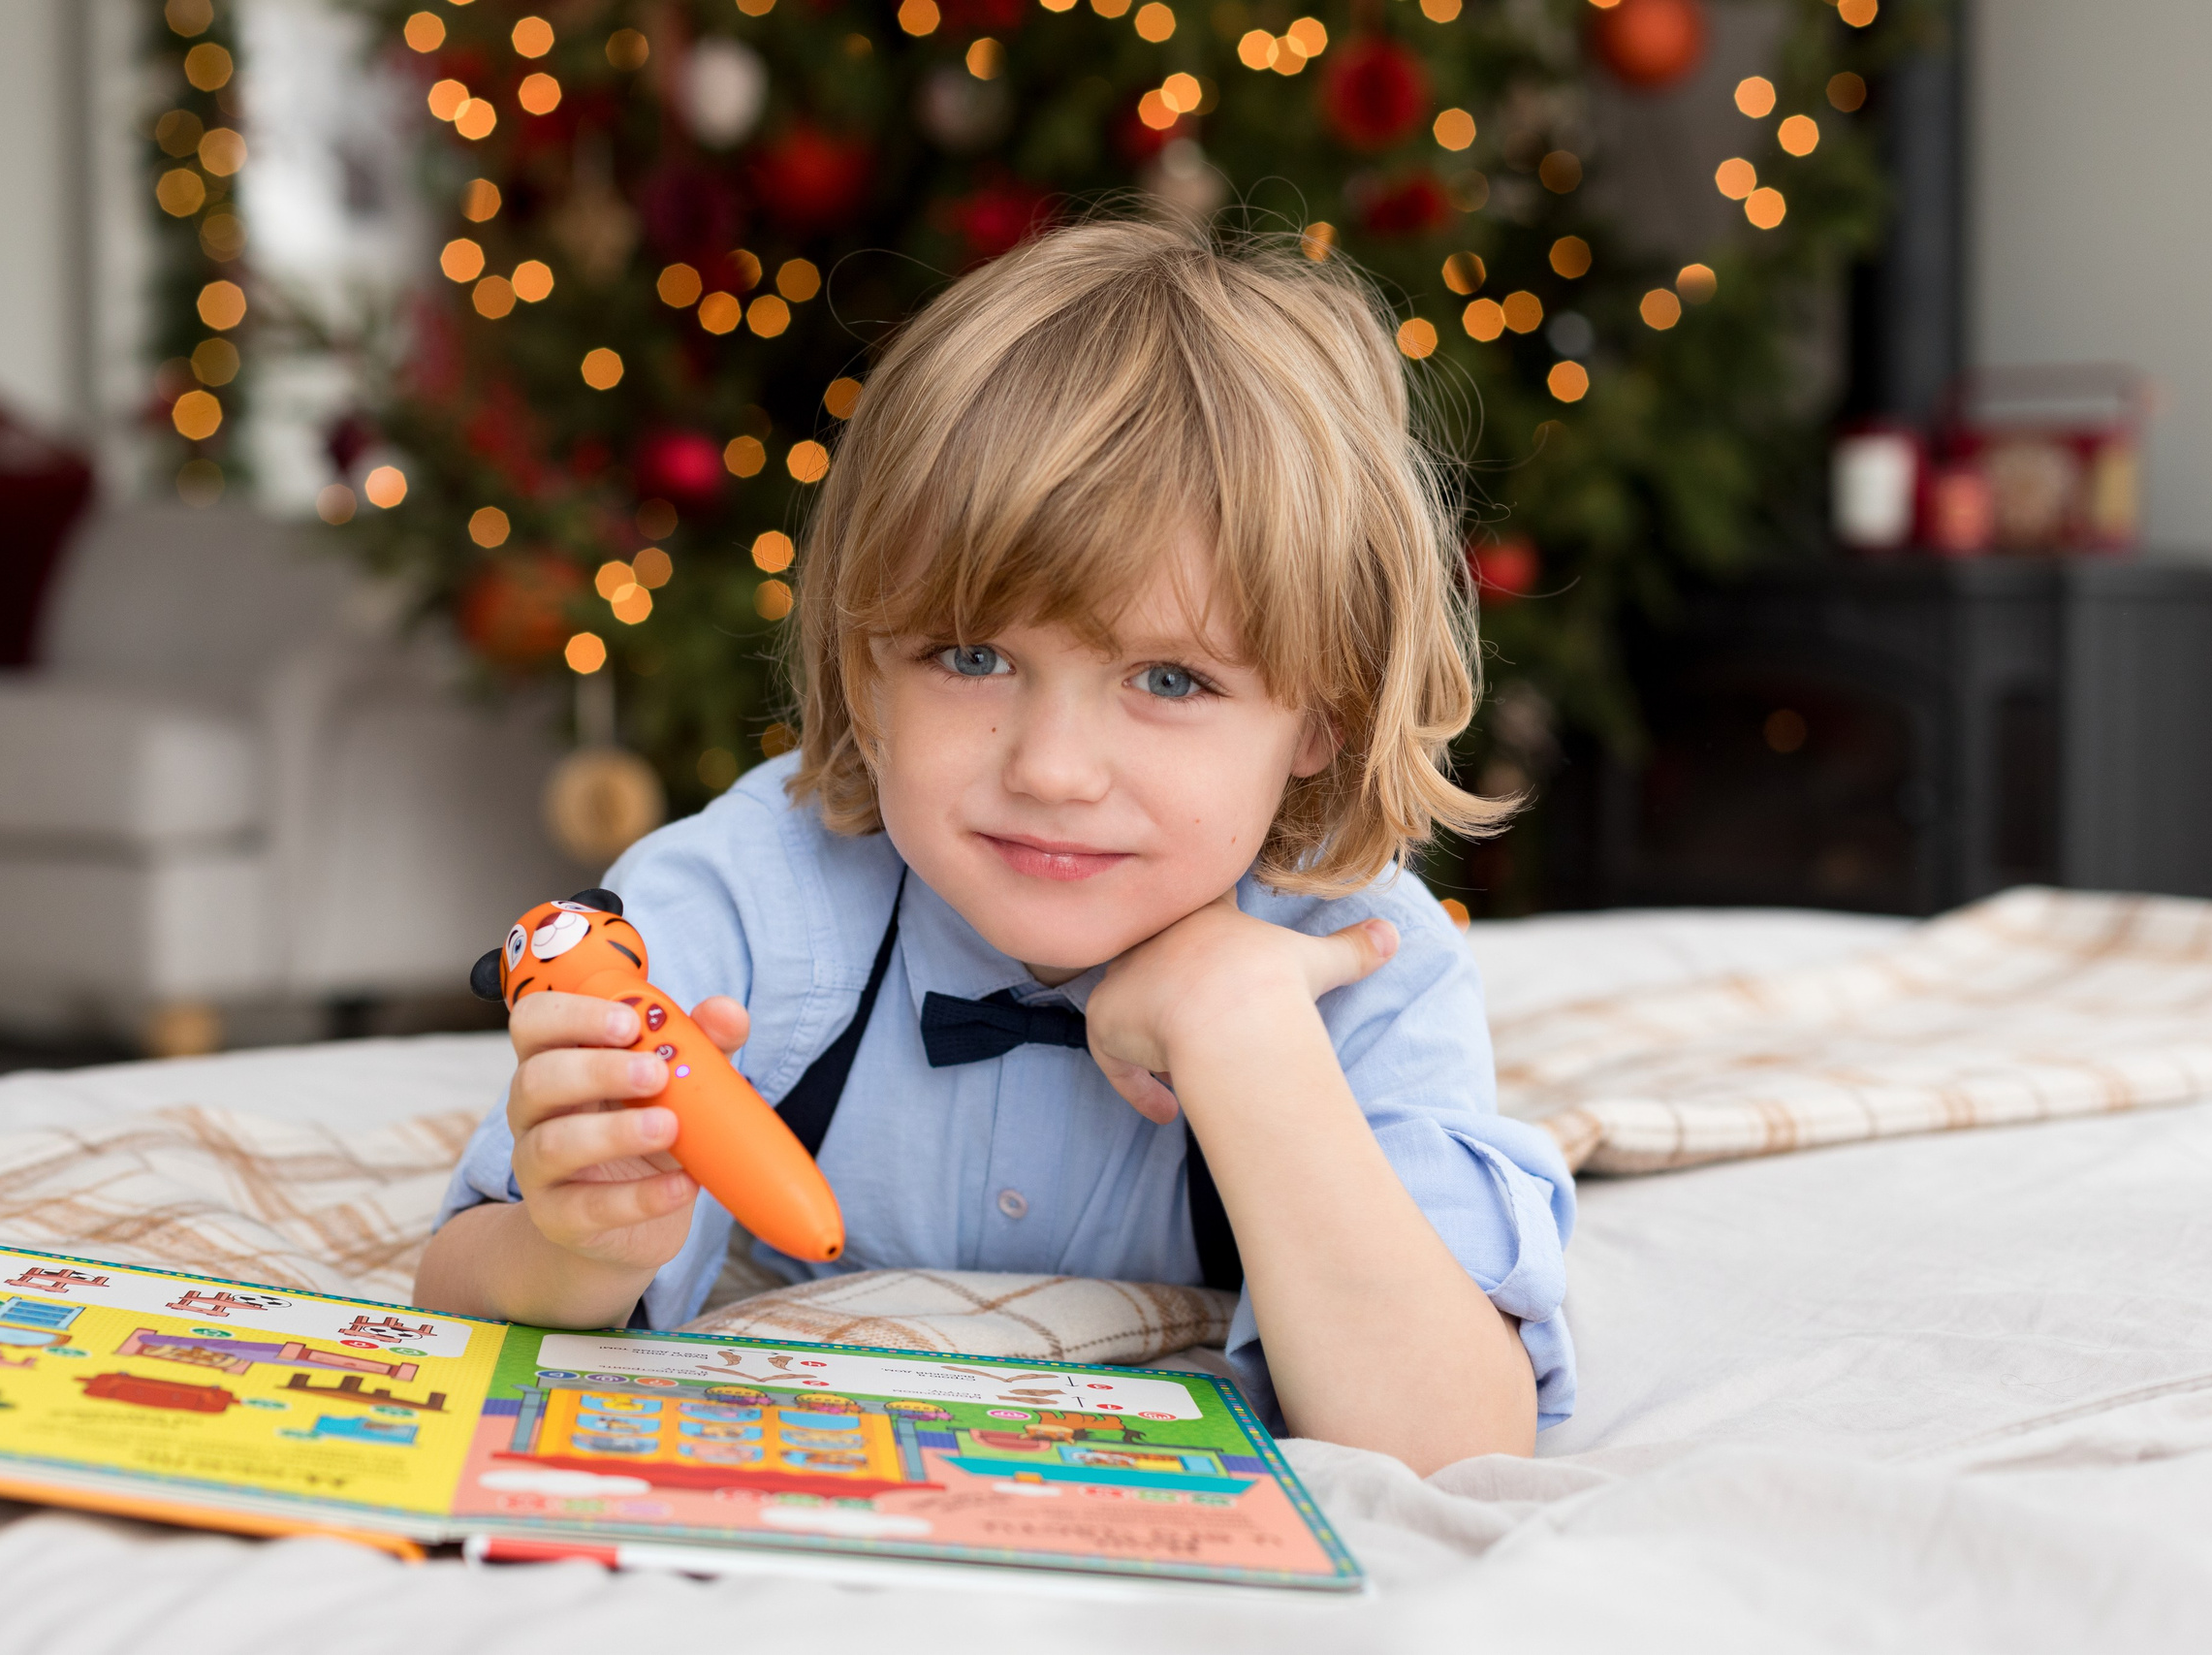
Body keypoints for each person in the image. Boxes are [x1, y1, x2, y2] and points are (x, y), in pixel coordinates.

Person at [415, 214, 1575, 1474]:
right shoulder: (743, 898)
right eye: (972, 657)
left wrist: (1245, 1034)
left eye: (1171, 680)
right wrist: (575, 1246)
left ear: (1322, 714)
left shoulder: (1361, 962)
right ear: (868, 673)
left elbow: (1458, 1440)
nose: (1052, 771)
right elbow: (464, 1288)